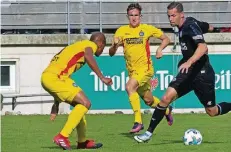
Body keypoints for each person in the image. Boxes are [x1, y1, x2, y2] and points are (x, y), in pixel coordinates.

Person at [134, 2, 231, 143]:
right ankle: (148, 134)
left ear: (181, 14)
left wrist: (189, 61)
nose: (171, 19)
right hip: (187, 73)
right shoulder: (190, 23)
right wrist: (214, 29)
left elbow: (203, 47)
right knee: (165, 98)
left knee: (212, 111)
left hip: (203, 74)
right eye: (169, 16)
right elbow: (206, 26)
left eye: (173, 15)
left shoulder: (189, 27)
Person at [41, 32, 112, 150]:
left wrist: (56, 104)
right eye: (103, 47)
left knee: (81, 106)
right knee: (86, 103)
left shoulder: (76, 46)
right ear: (100, 43)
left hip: (49, 78)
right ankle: (62, 136)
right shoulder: (90, 45)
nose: (102, 50)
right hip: (56, 78)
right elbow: (89, 56)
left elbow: (57, 68)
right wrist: (102, 77)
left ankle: (82, 142)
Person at [109, 3, 173, 134]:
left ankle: (138, 121)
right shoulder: (121, 31)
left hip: (145, 69)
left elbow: (166, 38)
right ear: (127, 16)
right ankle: (167, 110)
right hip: (132, 71)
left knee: (129, 87)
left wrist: (160, 49)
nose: (134, 18)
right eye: (131, 15)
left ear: (140, 16)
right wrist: (115, 46)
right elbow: (111, 53)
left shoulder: (147, 29)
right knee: (149, 100)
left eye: (136, 15)